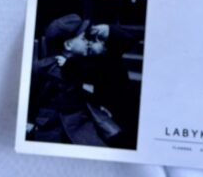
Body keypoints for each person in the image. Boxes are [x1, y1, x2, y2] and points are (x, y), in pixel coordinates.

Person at [26, 13, 144, 147]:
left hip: (83, 124)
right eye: (83, 38)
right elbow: (31, 95)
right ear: (68, 45)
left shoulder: (92, 63)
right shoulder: (43, 67)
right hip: (49, 126)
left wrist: (108, 29)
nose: (88, 42)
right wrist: (29, 120)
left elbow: (125, 43)